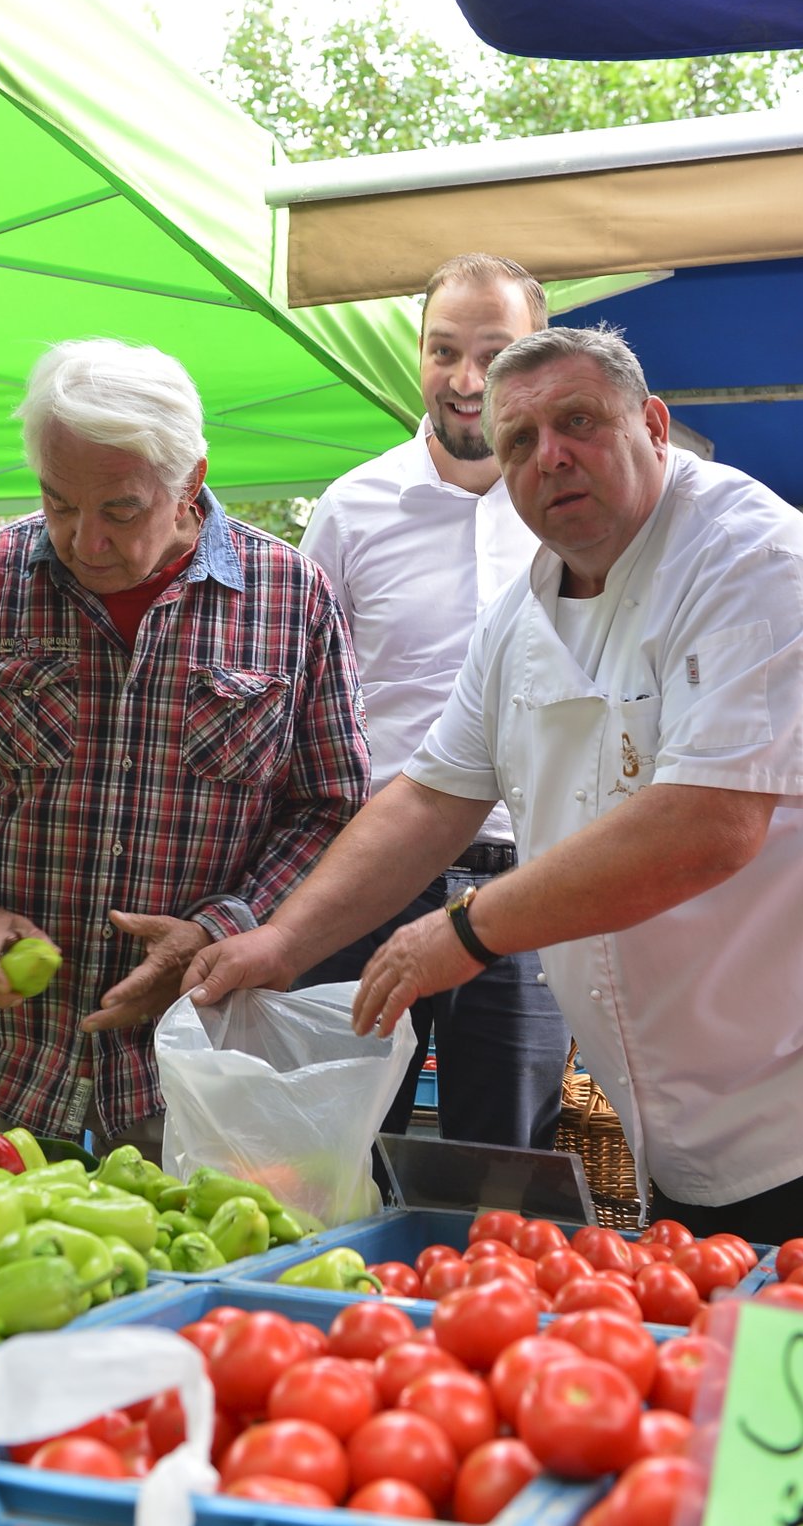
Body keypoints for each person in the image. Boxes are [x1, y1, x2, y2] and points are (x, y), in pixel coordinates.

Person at [184, 324, 803, 1244]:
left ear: (653, 424)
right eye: (518, 440)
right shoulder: (523, 610)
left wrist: (468, 930)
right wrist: (280, 946)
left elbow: (709, 825)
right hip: (683, 1134)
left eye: (579, 422)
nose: (549, 457)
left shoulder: (755, 563)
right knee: (718, 1372)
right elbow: (429, 798)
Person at [0, 338, 371, 1151]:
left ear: (190, 482)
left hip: (194, 1068)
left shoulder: (292, 600)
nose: (85, 541)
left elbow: (330, 811)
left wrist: (221, 930)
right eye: (59, 505)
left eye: (120, 509)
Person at [294, 253, 569, 1146]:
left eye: (496, 351)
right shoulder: (350, 510)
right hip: (375, 884)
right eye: (443, 349)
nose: (466, 379)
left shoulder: (575, 509)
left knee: (509, 1169)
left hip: (532, 887)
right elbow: (303, 706)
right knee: (341, 1148)